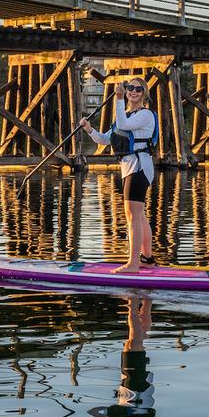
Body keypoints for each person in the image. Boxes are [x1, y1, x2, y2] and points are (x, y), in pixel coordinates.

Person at [79, 76, 159, 272]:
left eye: (138, 89)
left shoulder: (145, 115)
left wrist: (118, 98)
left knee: (133, 216)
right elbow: (105, 140)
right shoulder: (125, 117)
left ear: (144, 94)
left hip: (139, 168)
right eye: (130, 88)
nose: (133, 91)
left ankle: (132, 264)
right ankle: (147, 259)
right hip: (130, 169)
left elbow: (122, 126)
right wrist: (89, 129)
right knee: (139, 217)